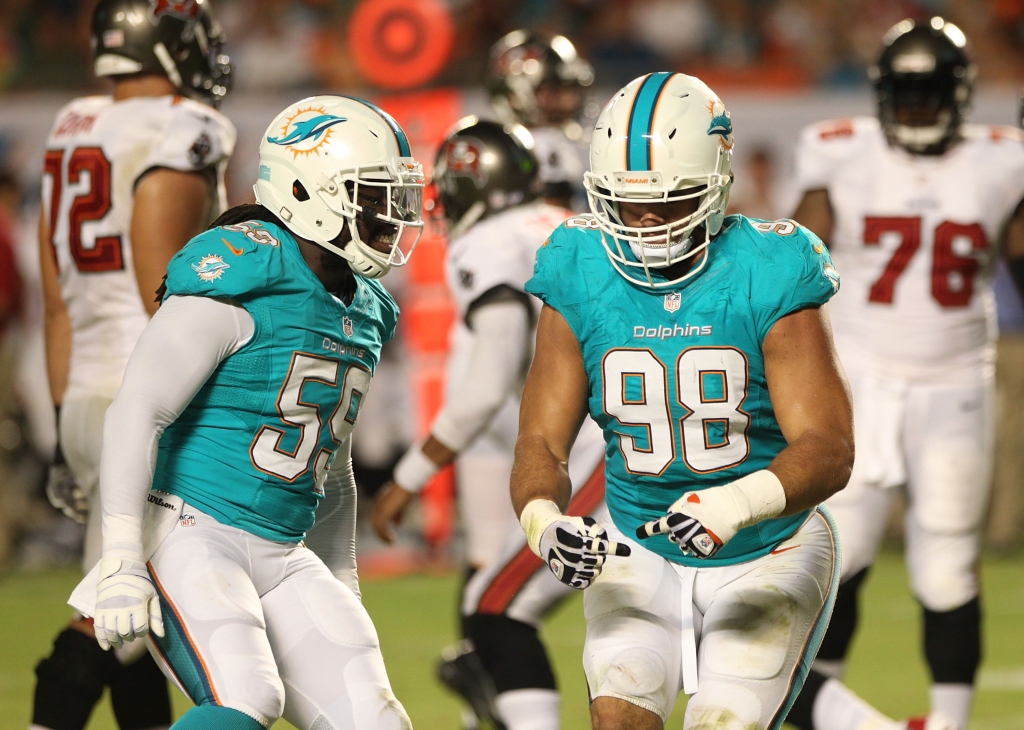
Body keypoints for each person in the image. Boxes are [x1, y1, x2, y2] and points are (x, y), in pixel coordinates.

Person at [510, 71, 855, 730]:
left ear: (715, 187)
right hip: (637, 543)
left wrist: (734, 503)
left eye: (668, 202)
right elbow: (542, 443)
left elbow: (830, 448)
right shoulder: (578, 265)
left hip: (768, 548)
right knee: (620, 718)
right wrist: (541, 521)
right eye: (623, 200)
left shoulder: (770, 267)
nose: (642, 220)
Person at [69, 94, 424, 730]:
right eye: (370, 198)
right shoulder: (245, 263)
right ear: (303, 189)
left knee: (378, 721)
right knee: (247, 698)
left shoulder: (364, 305)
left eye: (393, 200)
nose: (388, 218)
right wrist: (121, 556)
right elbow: (137, 408)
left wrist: (341, 579)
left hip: (282, 547)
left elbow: (330, 466)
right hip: (187, 529)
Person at [785, 17, 1024, 730]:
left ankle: (948, 722)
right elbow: (797, 263)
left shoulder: (1002, 161)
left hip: (956, 382)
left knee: (946, 563)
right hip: (857, 378)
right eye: (907, 94)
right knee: (837, 556)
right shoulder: (839, 153)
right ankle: (830, 713)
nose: (917, 109)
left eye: (930, 94)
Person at [34, 0, 235, 728]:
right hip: (148, 396)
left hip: (84, 390)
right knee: (112, 611)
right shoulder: (185, 127)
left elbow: (56, 300)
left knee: (138, 632)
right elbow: (172, 293)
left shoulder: (71, 126)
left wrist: (62, 420)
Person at [371, 118, 605, 730]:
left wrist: (409, 476)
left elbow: (489, 378)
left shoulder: (491, 242)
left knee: (493, 610)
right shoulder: (568, 221)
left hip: (603, 454)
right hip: (637, 435)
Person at [487, 30, 594, 209]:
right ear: (516, 94)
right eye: (553, 92)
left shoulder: (557, 142)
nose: (570, 102)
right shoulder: (519, 150)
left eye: (571, 90)